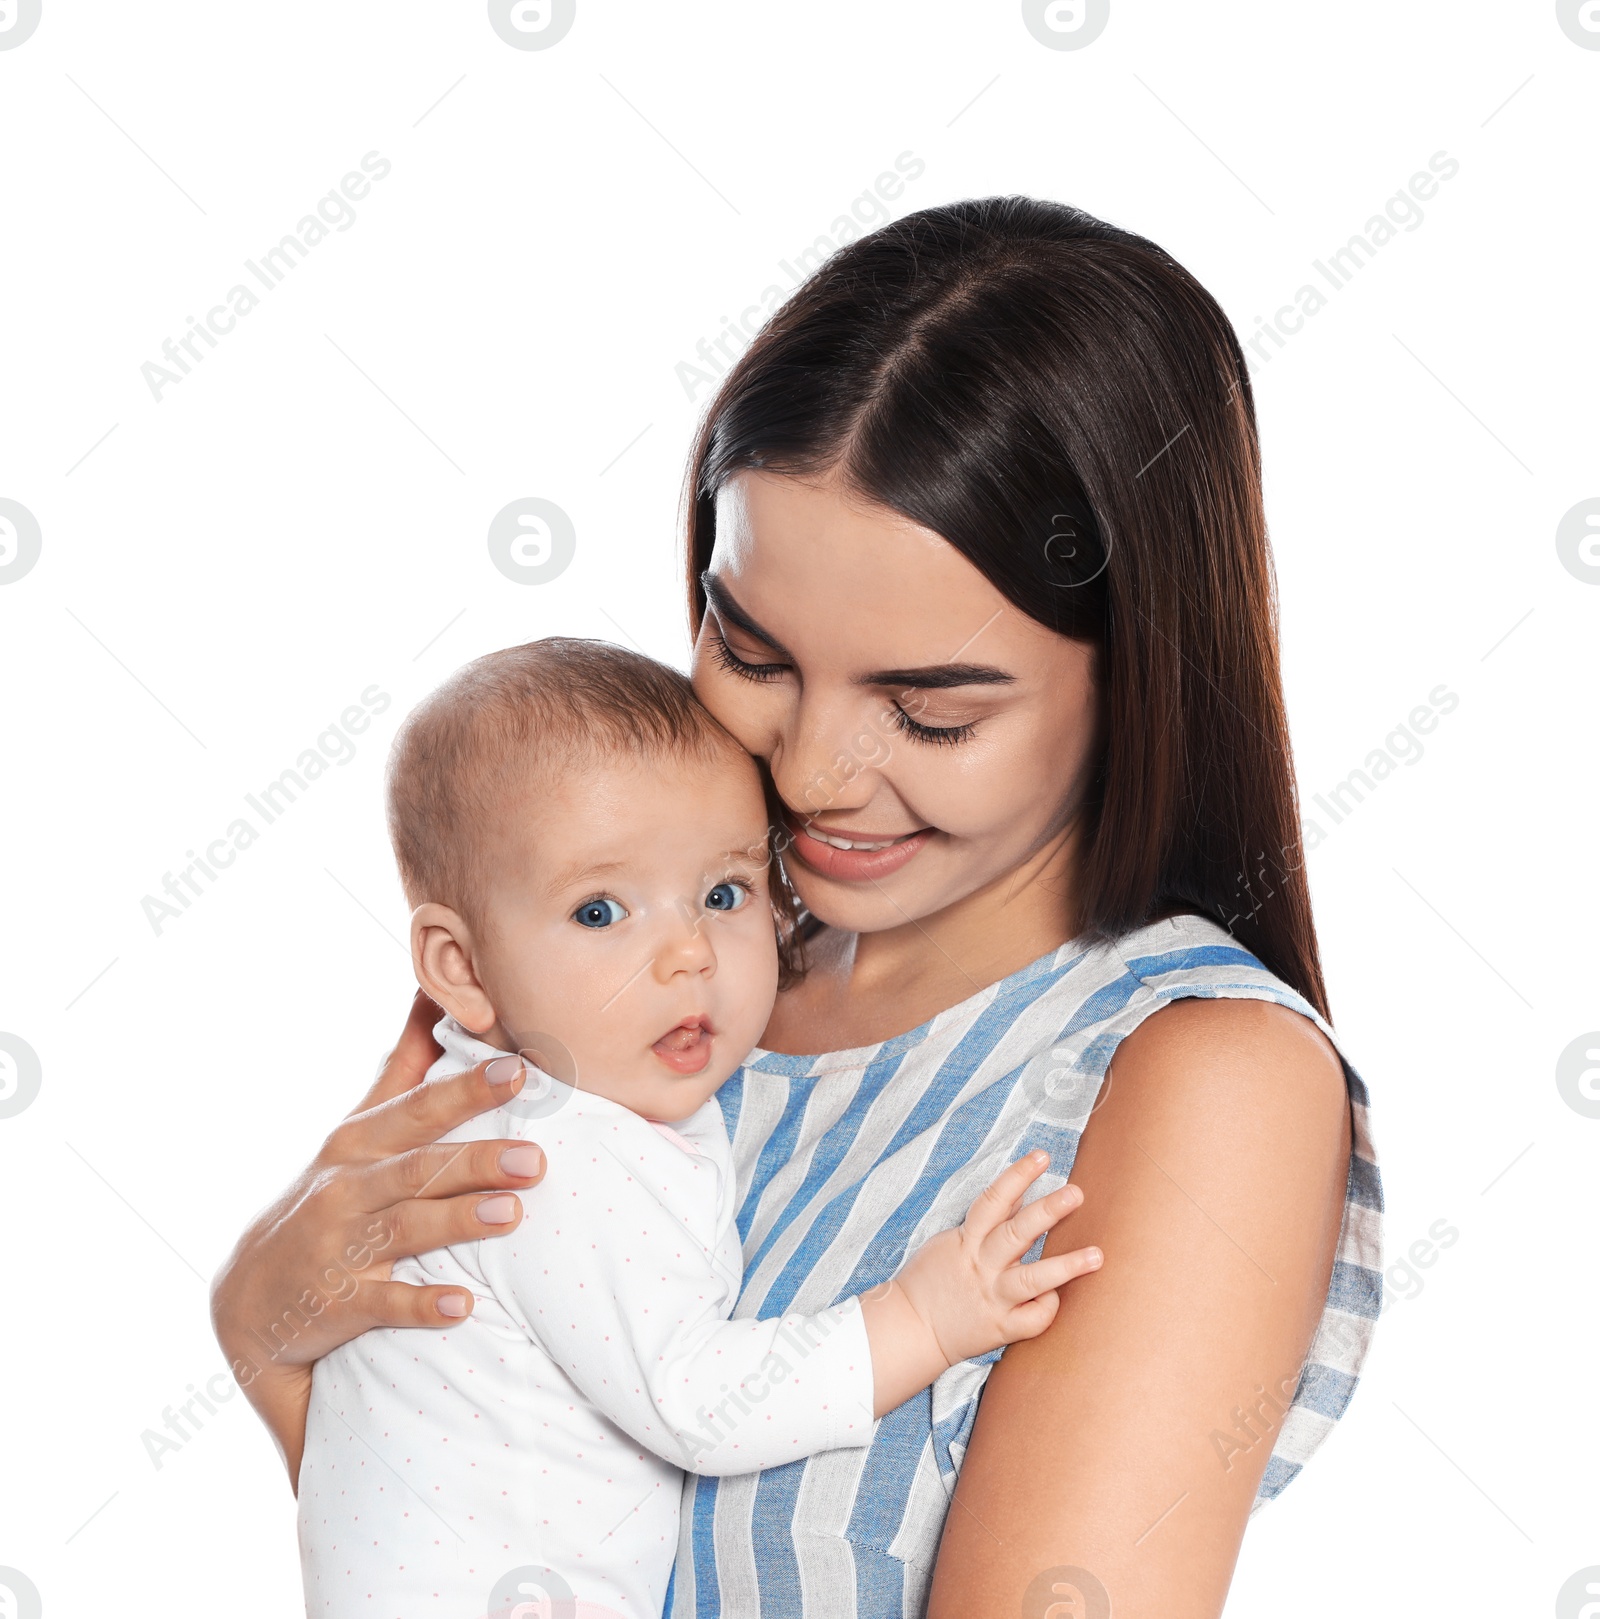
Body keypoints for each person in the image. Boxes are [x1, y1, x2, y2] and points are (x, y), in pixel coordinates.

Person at [212, 195, 1384, 1618]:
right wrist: (270, 1342)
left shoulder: (1197, 1078)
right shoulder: (657, 974)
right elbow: (469, 1522)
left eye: (930, 709)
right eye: (751, 649)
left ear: (1140, 672)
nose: (815, 770)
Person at [297, 639, 1100, 1618]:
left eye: (723, 894)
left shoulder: (570, 1109)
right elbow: (694, 1399)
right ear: (460, 968)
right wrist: (920, 1320)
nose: (685, 953)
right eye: (601, 910)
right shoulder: (544, 1156)